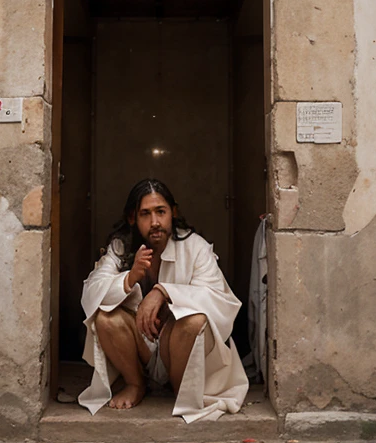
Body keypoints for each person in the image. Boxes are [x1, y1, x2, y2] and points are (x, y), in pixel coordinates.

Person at [78, 179, 249, 422]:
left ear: (173, 213)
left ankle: (183, 389)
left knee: (195, 321)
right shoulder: (121, 247)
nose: (155, 222)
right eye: (145, 214)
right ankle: (135, 384)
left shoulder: (195, 247)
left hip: (177, 343)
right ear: (132, 218)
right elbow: (90, 295)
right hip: (140, 345)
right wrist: (129, 278)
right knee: (105, 319)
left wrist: (163, 291)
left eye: (161, 212)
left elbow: (219, 299)